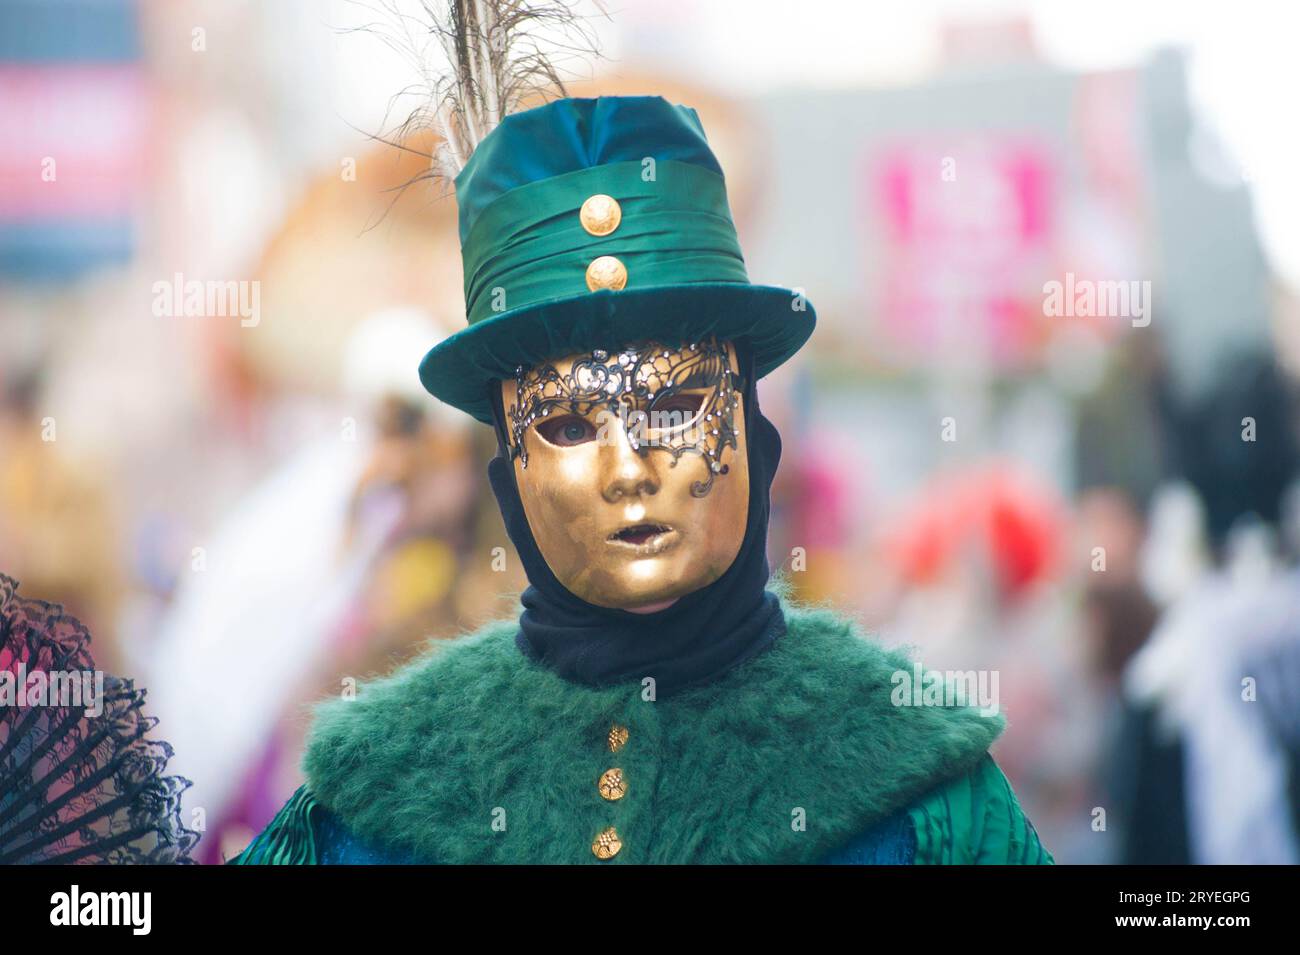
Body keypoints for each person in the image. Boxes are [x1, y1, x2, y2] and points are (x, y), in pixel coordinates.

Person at [231, 7, 1050, 866]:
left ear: (754, 434)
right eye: (569, 423)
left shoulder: (918, 781)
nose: (630, 469)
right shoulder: (379, 793)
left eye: (674, 407)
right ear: (506, 476)